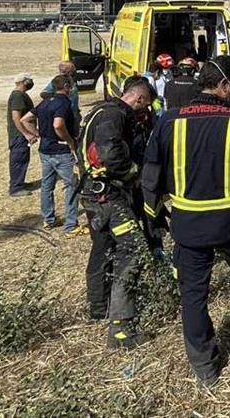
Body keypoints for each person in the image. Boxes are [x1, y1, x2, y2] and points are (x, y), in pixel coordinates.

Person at [141, 55, 230, 387]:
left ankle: (205, 367)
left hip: (188, 225)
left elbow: (151, 176)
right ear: (222, 85)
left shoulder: (168, 120)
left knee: (192, 295)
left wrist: (155, 219)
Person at [77, 75, 156, 348]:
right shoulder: (115, 115)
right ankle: (121, 328)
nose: (144, 114)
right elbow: (109, 153)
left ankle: (99, 307)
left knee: (102, 246)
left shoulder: (98, 110)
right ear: (140, 98)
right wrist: (134, 174)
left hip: (93, 194)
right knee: (133, 249)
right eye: (145, 107)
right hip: (109, 196)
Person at [22, 75, 85, 236]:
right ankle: (71, 226)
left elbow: (25, 119)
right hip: (61, 151)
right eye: (71, 85)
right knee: (71, 185)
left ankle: (49, 219)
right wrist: (69, 140)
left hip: (45, 150)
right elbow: (58, 124)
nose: (72, 88)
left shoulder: (45, 102)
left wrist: (39, 134)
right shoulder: (64, 103)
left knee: (47, 186)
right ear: (66, 86)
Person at [7, 73, 38, 196]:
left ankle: (19, 182)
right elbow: (16, 118)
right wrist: (27, 134)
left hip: (20, 134)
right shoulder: (18, 96)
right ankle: (16, 187)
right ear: (23, 81)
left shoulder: (19, 95)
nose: (31, 82)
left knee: (23, 158)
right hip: (19, 135)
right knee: (19, 159)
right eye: (29, 80)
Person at [58, 60, 82, 133]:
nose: (75, 70)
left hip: (74, 115)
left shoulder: (70, 79)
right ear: (68, 71)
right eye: (73, 69)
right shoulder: (59, 80)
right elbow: (44, 93)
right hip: (66, 116)